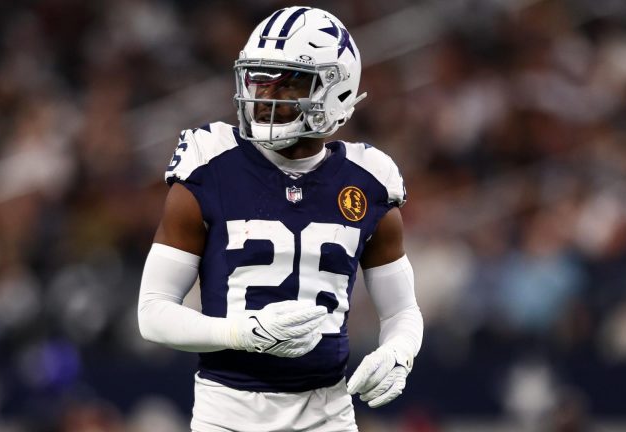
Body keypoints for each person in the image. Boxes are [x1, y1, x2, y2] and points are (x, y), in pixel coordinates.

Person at [138, 6, 423, 431]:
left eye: (288, 82)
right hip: (227, 414)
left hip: (328, 413)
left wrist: (397, 353)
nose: (266, 95)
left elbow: (402, 310)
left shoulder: (369, 180)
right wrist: (241, 333)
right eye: (260, 77)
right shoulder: (210, 166)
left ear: (336, 90)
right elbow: (153, 313)